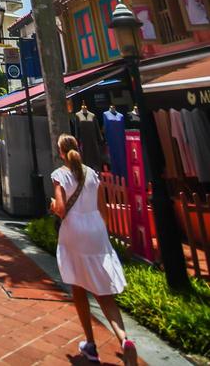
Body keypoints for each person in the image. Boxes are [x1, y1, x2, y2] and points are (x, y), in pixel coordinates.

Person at [51, 134, 137, 365]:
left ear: (61, 152)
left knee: (79, 288)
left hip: (75, 232)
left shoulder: (60, 175)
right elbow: (103, 209)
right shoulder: (93, 174)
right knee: (104, 293)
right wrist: (103, 233)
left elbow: (59, 208)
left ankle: (90, 343)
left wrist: (53, 205)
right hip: (96, 231)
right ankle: (125, 339)